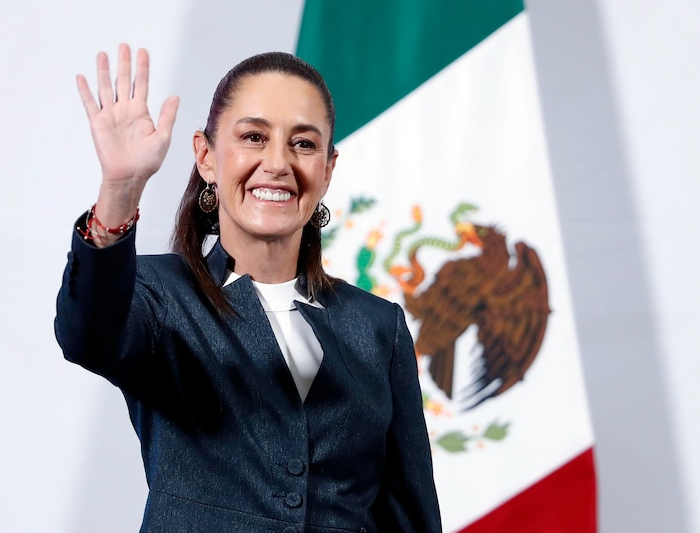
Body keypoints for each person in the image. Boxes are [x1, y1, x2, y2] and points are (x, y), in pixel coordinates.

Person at [55, 43, 442, 533]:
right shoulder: (158, 294)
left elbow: (410, 514)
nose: (278, 162)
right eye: (254, 137)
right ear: (206, 157)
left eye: (303, 143)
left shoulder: (377, 326)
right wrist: (120, 191)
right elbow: (86, 333)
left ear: (327, 169)